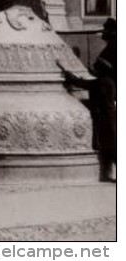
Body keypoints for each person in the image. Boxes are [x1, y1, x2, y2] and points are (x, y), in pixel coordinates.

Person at [58, 18, 116, 182]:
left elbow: (89, 84)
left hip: (105, 117)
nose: (102, 33)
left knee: (111, 145)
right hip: (107, 115)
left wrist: (71, 77)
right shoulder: (109, 80)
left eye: (105, 30)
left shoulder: (104, 80)